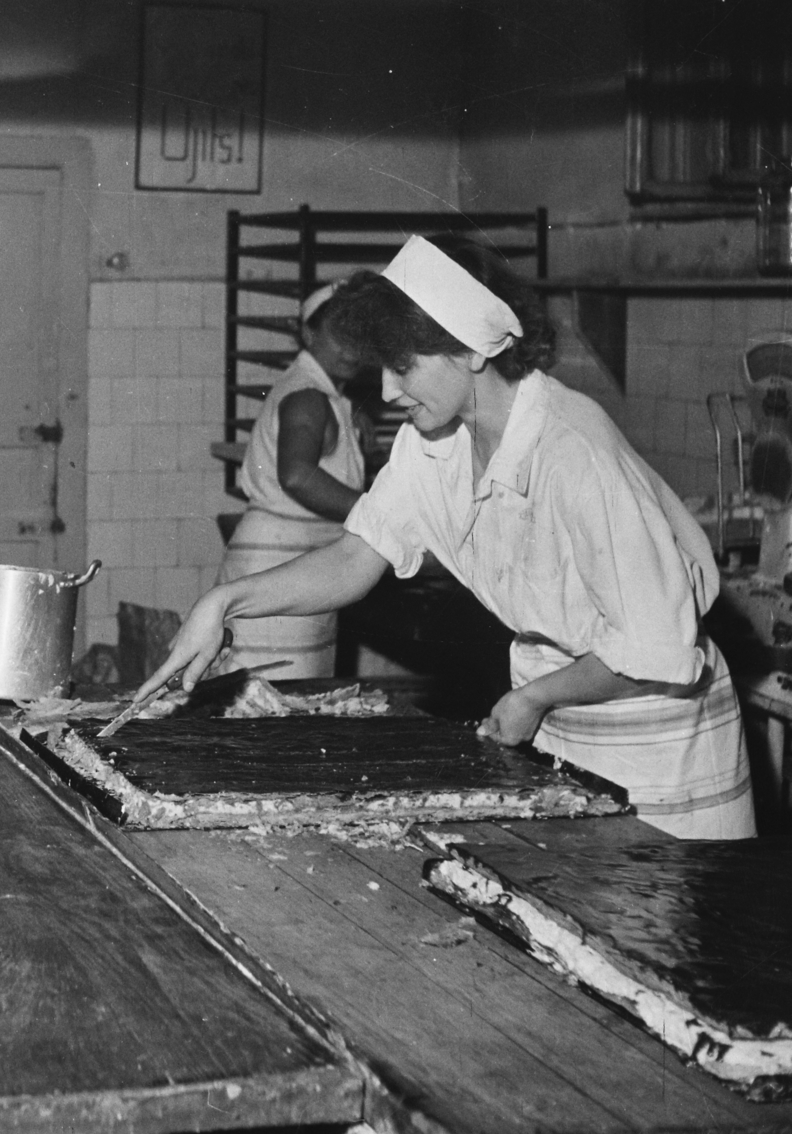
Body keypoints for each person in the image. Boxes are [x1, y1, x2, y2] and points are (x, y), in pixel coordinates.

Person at [142, 235, 754, 840]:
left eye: (403, 366)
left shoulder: (574, 451)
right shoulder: (434, 442)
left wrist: (535, 697)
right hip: (562, 718)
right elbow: (358, 556)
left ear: (472, 349)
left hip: (660, 746)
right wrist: (223, 602)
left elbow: (655, 651)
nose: (385, 391)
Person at [218, 282, 365, 677]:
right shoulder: (308, 396)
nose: (352, 347)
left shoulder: (320, 392)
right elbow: (297, 476)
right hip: (278, 566)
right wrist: (375, 513)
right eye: (340, 334)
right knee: (273, 699)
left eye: (361, 334)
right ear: (309, 333)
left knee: (283, 703)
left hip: (297, 566)